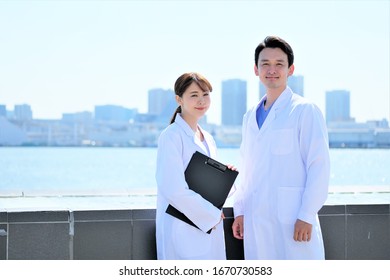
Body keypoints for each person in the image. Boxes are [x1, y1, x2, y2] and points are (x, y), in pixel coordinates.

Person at [232, 36, 330, 260]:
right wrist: (240, 211)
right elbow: (246, 170)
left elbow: (319, 166)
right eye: (265, 64)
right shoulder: (250, 116)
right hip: (256, 222)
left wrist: (306, 214)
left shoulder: (305, 110)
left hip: (293, 220)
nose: (272, 70)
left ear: (291, 69)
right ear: (256, 70)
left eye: (279, 64)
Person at [155, 72, 232, 260]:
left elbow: (207, 183)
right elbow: (172, 188)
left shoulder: (208, 137)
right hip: (181, 227)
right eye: (194, 95)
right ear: (179, 99)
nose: (201, 101)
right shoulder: (171, 136)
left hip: (208, 226)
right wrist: (210, 215)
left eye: (205, 94)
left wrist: (227, 177)